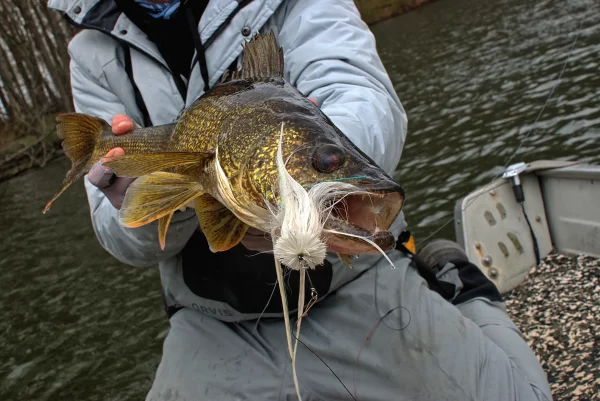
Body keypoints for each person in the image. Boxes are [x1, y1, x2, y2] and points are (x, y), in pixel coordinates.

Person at [48, 0, 552, 400]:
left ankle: (465, 290)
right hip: (212, 319)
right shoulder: (90, 52)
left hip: (351, 282)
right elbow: (124, 241)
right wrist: (158, 201)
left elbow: (362, 94)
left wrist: (317, 161)